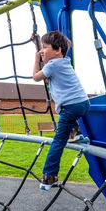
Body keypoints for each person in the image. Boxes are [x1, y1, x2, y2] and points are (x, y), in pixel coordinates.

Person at [32, 31, 89, 190]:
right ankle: (75, 131)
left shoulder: (52, 65)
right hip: (83, 104)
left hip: (70, 107)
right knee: (69, 118)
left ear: (57, 50)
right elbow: (51, 55)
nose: (42, 51)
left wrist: (36, 58)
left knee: (58, 142)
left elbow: (36, 77)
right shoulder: (64, 61)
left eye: (45, 47)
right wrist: (38, 45)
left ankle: (49, 176)